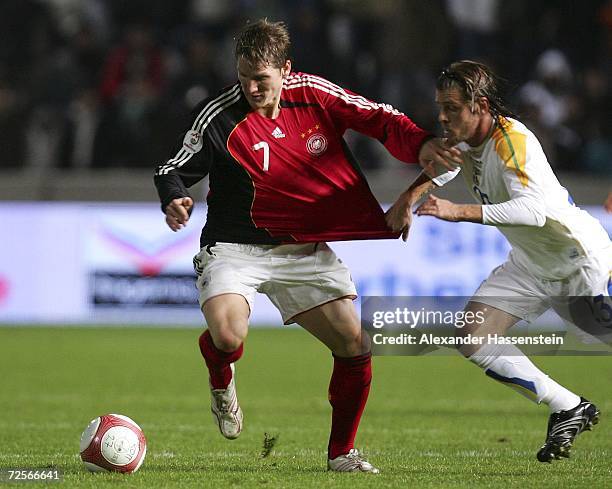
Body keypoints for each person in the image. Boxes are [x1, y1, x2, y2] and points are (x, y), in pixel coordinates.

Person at [154, 19, 460, 473]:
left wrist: (420, 145)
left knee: (355, 345)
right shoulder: (219, 114)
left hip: (302, 249)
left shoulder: (314, 93)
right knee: (229, 334)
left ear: (286, 69)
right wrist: (175, 196)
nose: (252, 88)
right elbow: (172, 167)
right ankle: (222, 379)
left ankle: (342, 454)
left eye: (262, 78)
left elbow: (378, 118)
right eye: (243, 78)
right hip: (235, 247)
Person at [386, 60, 611, 463]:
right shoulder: (468, 140)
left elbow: (533, 211)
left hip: (577, 262)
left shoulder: (512, 141)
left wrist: (460, 212)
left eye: (452, 107)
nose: (442, 115)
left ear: (480, 105)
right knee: (473, 335)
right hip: (531, 263)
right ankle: (568, 406)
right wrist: (408, 198)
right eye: (441, 106)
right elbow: (443, 168)